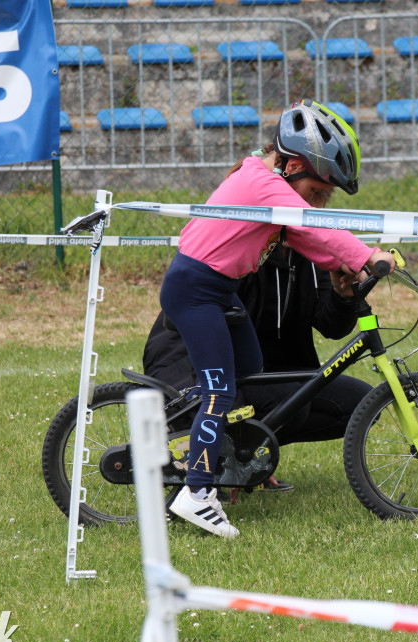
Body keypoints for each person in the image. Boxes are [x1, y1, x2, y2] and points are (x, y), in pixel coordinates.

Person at [159, 99, 394, 540]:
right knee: (221, 390)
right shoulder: (261, 182)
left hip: (219, 291)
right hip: (195, 291)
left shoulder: (269, 185)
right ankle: (197, 493)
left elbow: (310, 241)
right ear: (291, 166)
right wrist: (366, 254)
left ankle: (226, 454)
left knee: (251, 378)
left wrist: (355, 268)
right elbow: (316, 228)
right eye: (318, 191)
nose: (320, 202)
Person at [142, 244, 374, 492]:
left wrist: (343, 295)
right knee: (291, 404)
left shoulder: (309, 256)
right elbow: (210, 334)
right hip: (192, 365)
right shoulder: (243, 250)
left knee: (362, 402)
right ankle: (218, 459)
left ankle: (249, 457)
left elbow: (331, 326)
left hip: (265, 370)